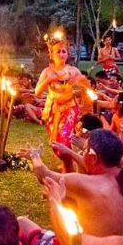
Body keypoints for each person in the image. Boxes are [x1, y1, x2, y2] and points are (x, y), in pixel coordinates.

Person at [19, 129, 123, 237]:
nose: (81, 154)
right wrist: (70, 153)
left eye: (84, 150)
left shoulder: (84, 183)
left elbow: (44, 176)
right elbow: (92, 166)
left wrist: (34, 156)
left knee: (22, 223)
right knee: (70, 201)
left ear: (93, 158)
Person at [35, 31, 90, 171]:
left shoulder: (73, 71)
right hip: (52, 110)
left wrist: (81, 83)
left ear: (68, 54)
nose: (61, 54)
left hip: (69, 109)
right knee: (54, 142)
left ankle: (69, 166)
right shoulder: (47, 71)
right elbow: (37, 92)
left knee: (63, 138)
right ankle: (68, 161)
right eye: (58, 51)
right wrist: (48, 80)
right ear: (51, 54)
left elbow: (87, 87)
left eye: (64, 51)